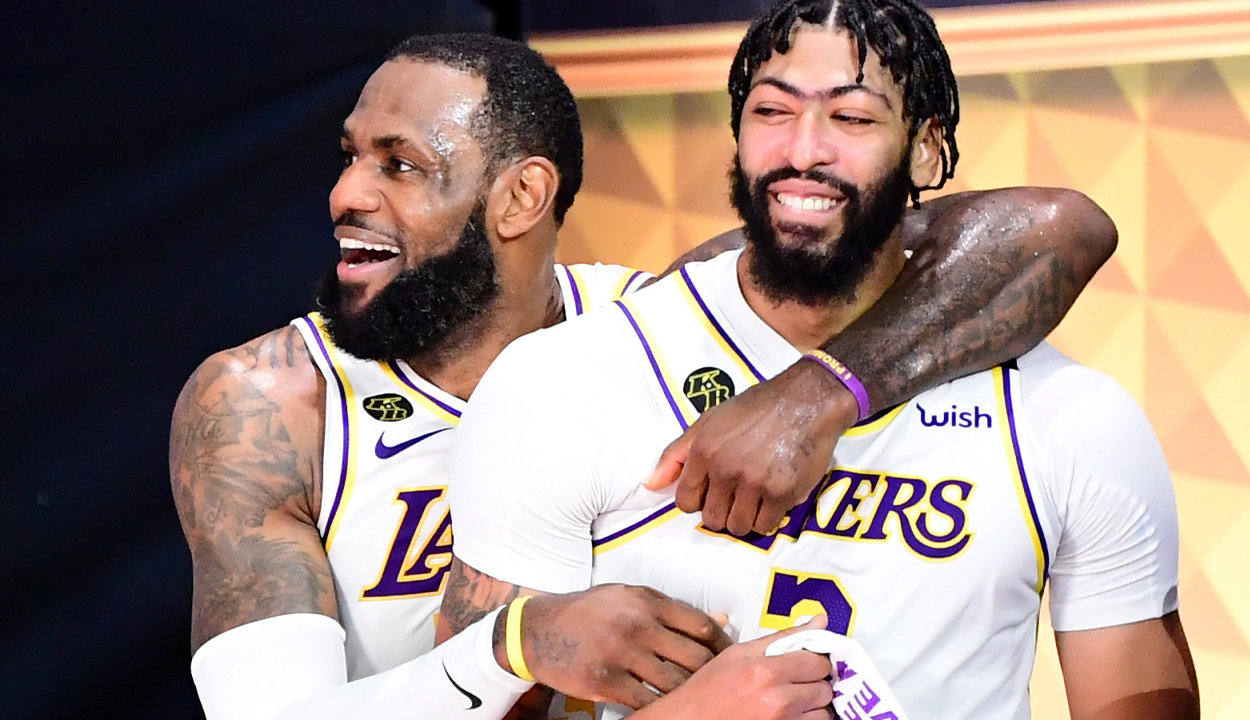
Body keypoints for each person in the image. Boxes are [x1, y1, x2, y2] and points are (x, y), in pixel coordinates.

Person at [170, 27, 1117, 720]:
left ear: (521, 198)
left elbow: (1053, 226)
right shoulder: (267, 402)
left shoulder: (647, 323)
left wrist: (815, 392)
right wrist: (517, 643)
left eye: (400, 165)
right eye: (349, 158)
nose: (345, 195)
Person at [442, 3, 1198, 719]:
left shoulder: (1068, 418)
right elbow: (468, 698)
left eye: (852, 117)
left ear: (928, 146)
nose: (804, 150)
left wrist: (820, 393)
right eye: (771, 111)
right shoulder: (566, 380)